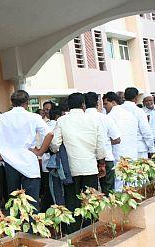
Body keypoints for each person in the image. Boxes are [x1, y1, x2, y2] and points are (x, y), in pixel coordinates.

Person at [0, 90, 53, 211]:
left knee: (14, 203)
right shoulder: (34, 117)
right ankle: (31, 228)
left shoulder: (2, 118)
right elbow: (50, 134)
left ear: (12, 102)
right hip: (29, 163)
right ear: (27, 102)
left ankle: (16, 228)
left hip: (10, 164)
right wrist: (40, 152)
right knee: (32, 202)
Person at [50, 93, 106, 234]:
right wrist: (102, 164)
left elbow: (55, 144)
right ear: (83, 105)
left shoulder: (62, 121)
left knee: (72, 200)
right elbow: (100, 146)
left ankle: (74, 233)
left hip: (71, 169)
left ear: (69, 106)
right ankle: (90, 230)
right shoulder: (93, 120)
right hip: (90, 167)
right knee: (90, 201)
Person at [84, 92, 121, 195]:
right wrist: (106, 142)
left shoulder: (81, 119)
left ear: (84, 104)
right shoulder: (105, 118)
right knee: (108, 193)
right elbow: (117, 139)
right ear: (98, 103)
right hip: (106, 158)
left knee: (90, 194)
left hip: (87, 160)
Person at [103, 92, 138, 190]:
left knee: (119, 184)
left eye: (106, 104)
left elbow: (110, 138)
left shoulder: (109, 117)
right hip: (132, 153)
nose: (104, 107)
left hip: (118, 154)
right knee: (133, 183)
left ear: (113, 102)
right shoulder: (130, 115)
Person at [122, 87, 155, 158]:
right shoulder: (139, 111)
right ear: (136, 98)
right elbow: (146, 132)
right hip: (139, 149)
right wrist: (152, 149)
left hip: (123, 149)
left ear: (124, 97)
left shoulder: (118, 110)